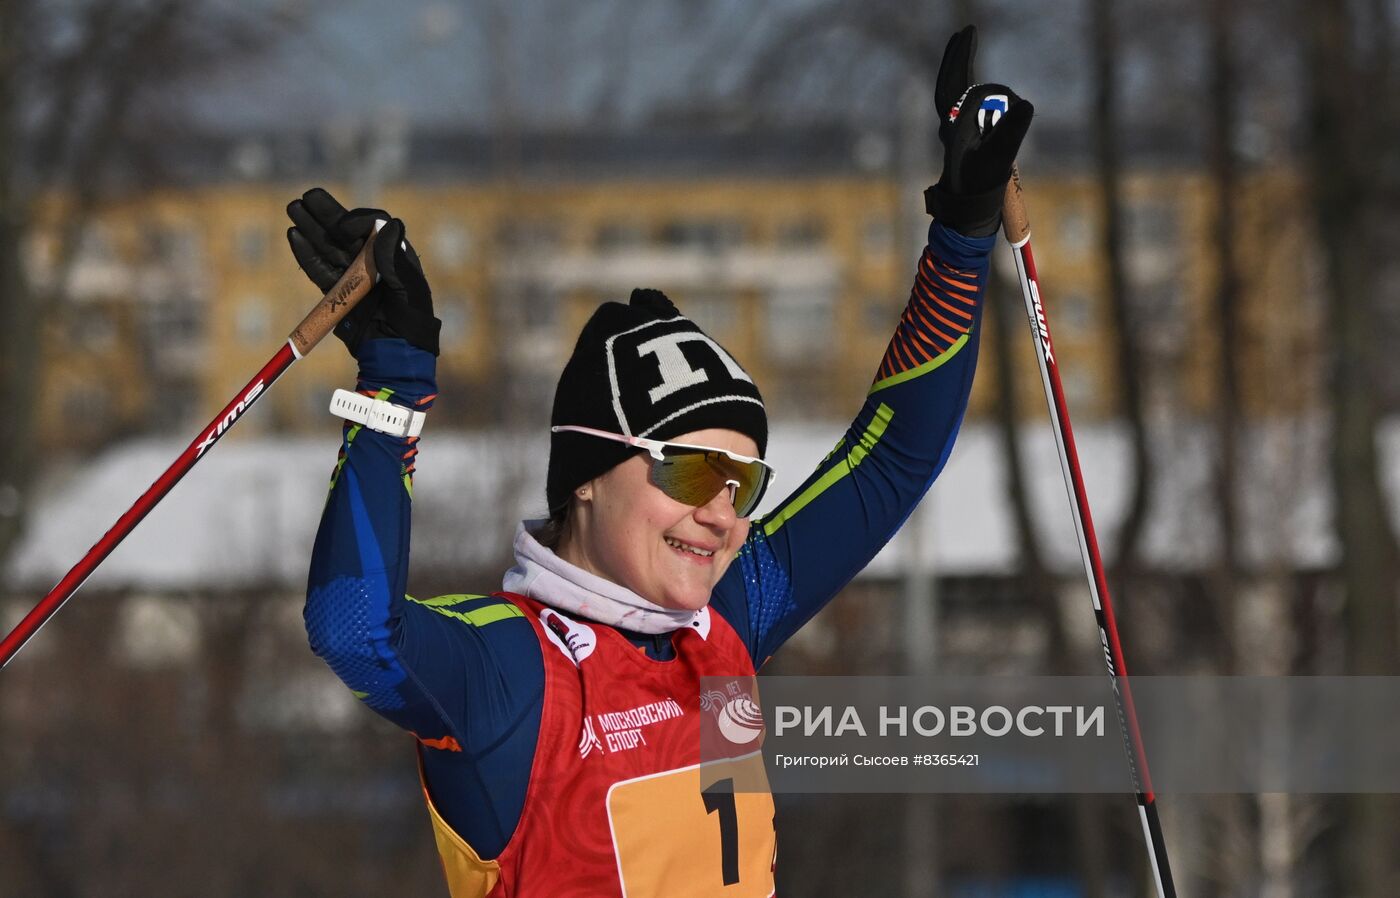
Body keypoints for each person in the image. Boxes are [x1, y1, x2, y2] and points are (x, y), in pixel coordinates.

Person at [294, 26, 1030, 898]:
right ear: (589, 478)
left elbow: (892, 459)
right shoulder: (513, 671)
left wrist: (963, 231)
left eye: (744, 483)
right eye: (686, 472)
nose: (721, 513)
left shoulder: (725, 621)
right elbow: (354, 632)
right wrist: (393, 381)